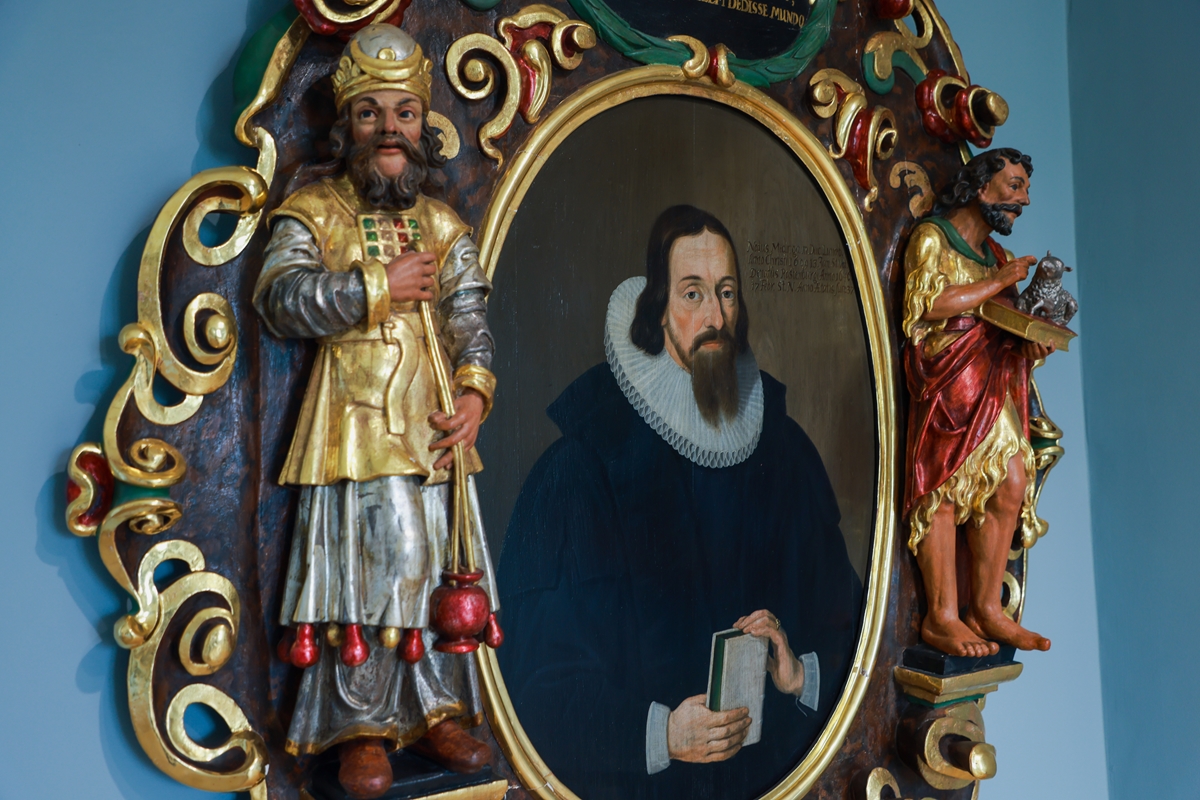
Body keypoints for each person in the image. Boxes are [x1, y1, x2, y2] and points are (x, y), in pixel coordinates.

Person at [497, 205, 862, 800]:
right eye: (693, 294)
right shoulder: (582, 467)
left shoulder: (785, 451)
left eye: (727, 293)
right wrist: (662, 735)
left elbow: (851, 622)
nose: (715, 317)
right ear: (658, 308)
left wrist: (799, 673)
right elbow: (536, 686)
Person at [253, 24, 498, 800]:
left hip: (433, 427)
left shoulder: (443, 225)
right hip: (353, 426)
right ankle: (359, 726)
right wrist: (372, 288)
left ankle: (436, 712)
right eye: (371, 114)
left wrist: (474, 391)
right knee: (367, 571)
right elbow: (280, 297)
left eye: (404, 113)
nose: (389, 129)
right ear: (346, 126)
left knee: (436, 565)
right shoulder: (314, 211)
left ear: (422, 126)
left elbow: (469, 317)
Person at [902, 147, 1055, 658]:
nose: (1023, 200)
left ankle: (987, 608)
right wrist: (996, 284)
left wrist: (1030, 346)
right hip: (946, 382)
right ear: (981, 186)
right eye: (1015, 187)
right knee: (943, 491)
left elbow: (1006, 329)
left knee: (1011, 481)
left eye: (1025, 189)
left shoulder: (998, 257)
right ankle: (942, 616)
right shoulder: (933, 238)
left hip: (992, 381)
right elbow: (927, 304)